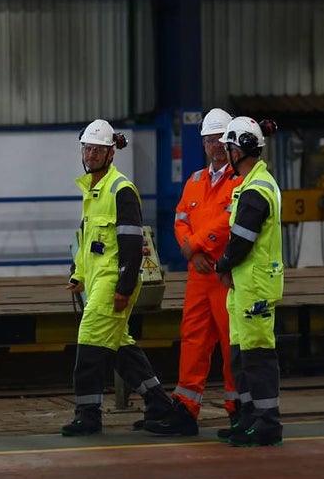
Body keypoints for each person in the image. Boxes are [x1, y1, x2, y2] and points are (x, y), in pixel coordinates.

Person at [61, 119, 174, 436]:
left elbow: (131, 243)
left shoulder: (121, 190)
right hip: (98, 279)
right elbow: (88, 241)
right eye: (88, 148)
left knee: (90, 341)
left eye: (98, 149)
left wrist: (124, 287)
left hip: (114, 281)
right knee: (119, 346)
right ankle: (159, 403)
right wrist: (78, 274)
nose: (91, 154)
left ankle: (88, 414)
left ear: (111, 153)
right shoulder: (94, 190)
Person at [145, 108, 240, 437]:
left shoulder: (240, 180)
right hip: (200, 276)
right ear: (202, 143)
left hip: (227, 274)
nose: (215, 145)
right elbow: (180, 219)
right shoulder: (196, 180)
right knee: (194, 340)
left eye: (220, 140)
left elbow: (230, 221)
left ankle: (238, 410)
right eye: (210, 140)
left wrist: (195, 247)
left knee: (232, 344)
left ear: (231, 144)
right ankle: (185, 410)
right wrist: (194, 250)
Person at [213, 116, 284, 447]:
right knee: (240, 355)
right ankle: (248, 417)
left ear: (237, 151)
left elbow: (242, 238)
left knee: (257, 356)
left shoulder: (256, 189)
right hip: (244, 286)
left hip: (253, 286)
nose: (224, 153)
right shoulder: (252, 185)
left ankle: (267, 423)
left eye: (227, 147)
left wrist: (222, 264)